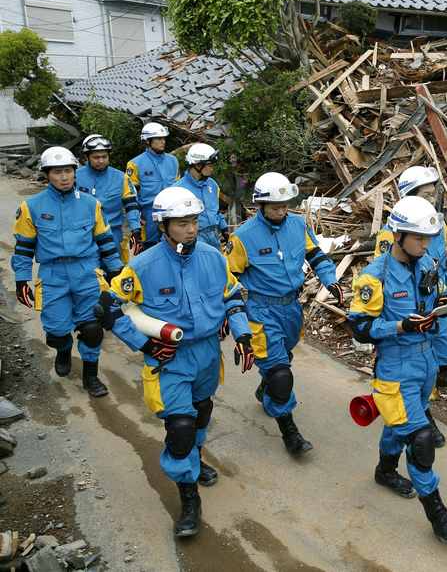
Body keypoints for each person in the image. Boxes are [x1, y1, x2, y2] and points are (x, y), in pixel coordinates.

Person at [93, 187, 252, 538]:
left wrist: (242, 335)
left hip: (208, 352)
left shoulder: (213, 257)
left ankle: (194, 460)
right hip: (170, 358)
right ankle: (189, 498)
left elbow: (231, 298)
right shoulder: (143, 265)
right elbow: (107, 308)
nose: (191, 229)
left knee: (202, 411)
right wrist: (145, 344)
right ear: (163, 226)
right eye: (182, 223)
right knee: (180, 427)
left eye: (194, 220)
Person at [350, 195, 447, 545]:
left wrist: (444, 303)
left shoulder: (426, 263)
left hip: (427, 362)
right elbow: (360, 329)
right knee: (419, 439)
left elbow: (434, 300)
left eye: (429, 237)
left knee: (399, 424)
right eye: (419, 238)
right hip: (396, 368)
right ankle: (439, 516)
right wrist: (400, 327)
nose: (426, 244)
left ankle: (384, 472)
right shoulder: (375, 276)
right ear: (398, 235)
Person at [226, 172, 342, 455]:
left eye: (285, 205)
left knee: (283, 357)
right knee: (281, 374)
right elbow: (226, 279)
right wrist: (227, 317)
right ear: (259, 205)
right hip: (261, 310)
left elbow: (315, 254)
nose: (281, 211)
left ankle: (265, 387)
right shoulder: (242, 237)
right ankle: (290, 433)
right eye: (275, 207)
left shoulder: (297, 224)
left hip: (291, 308)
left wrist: (331, 280)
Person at [12, 146, 124, 397]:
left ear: (75, 173)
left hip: (86, 271)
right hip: (53, 275)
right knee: (56, 332)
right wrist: (21, 279)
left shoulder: (90, 204)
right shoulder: (32, 206)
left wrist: (116, 270)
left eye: (68, 171)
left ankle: (90, 376)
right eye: (57, 172)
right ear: (46, 175)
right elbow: (23, 247)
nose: (64, 177)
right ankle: (63, 351)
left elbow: (105, 240)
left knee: (93, 328)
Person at [373, 166, 447, 447]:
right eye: (426, 194)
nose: (432, 199)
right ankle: (421, 413)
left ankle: (416, 406)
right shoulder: (392, 235)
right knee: (416, 363)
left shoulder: (437, 224)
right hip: (409, 311)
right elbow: (387, 277)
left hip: (436, 305)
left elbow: (442, 266)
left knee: (445, 354)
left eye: (434, 194)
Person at [76, 134, 143, 262]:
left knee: (115, 275)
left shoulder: (120, 178)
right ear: (86, 157)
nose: (101, 161)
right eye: (96, 157)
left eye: (104, 157)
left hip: (113, 234)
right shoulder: (75, 178)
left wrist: (136, 230)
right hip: (83, 236)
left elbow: (131, 204)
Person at [126, 122, 178, 250]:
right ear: (148, 141)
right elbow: (131, 196)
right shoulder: (135, 164)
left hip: (171, 213)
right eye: (158, 139)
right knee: (148, 250)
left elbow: (178, 188)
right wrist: (136, 226)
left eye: (164, 138)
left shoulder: (173, 161)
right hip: (148, 216)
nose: (163, 142)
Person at [171, 144, 228, 249]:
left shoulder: (213, 185)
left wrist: (225, 231)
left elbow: (217, 211)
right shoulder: (178, 190)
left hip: (214, 235)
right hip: (194, 237)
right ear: (198, 165)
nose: (212, 168)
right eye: (210, 165)